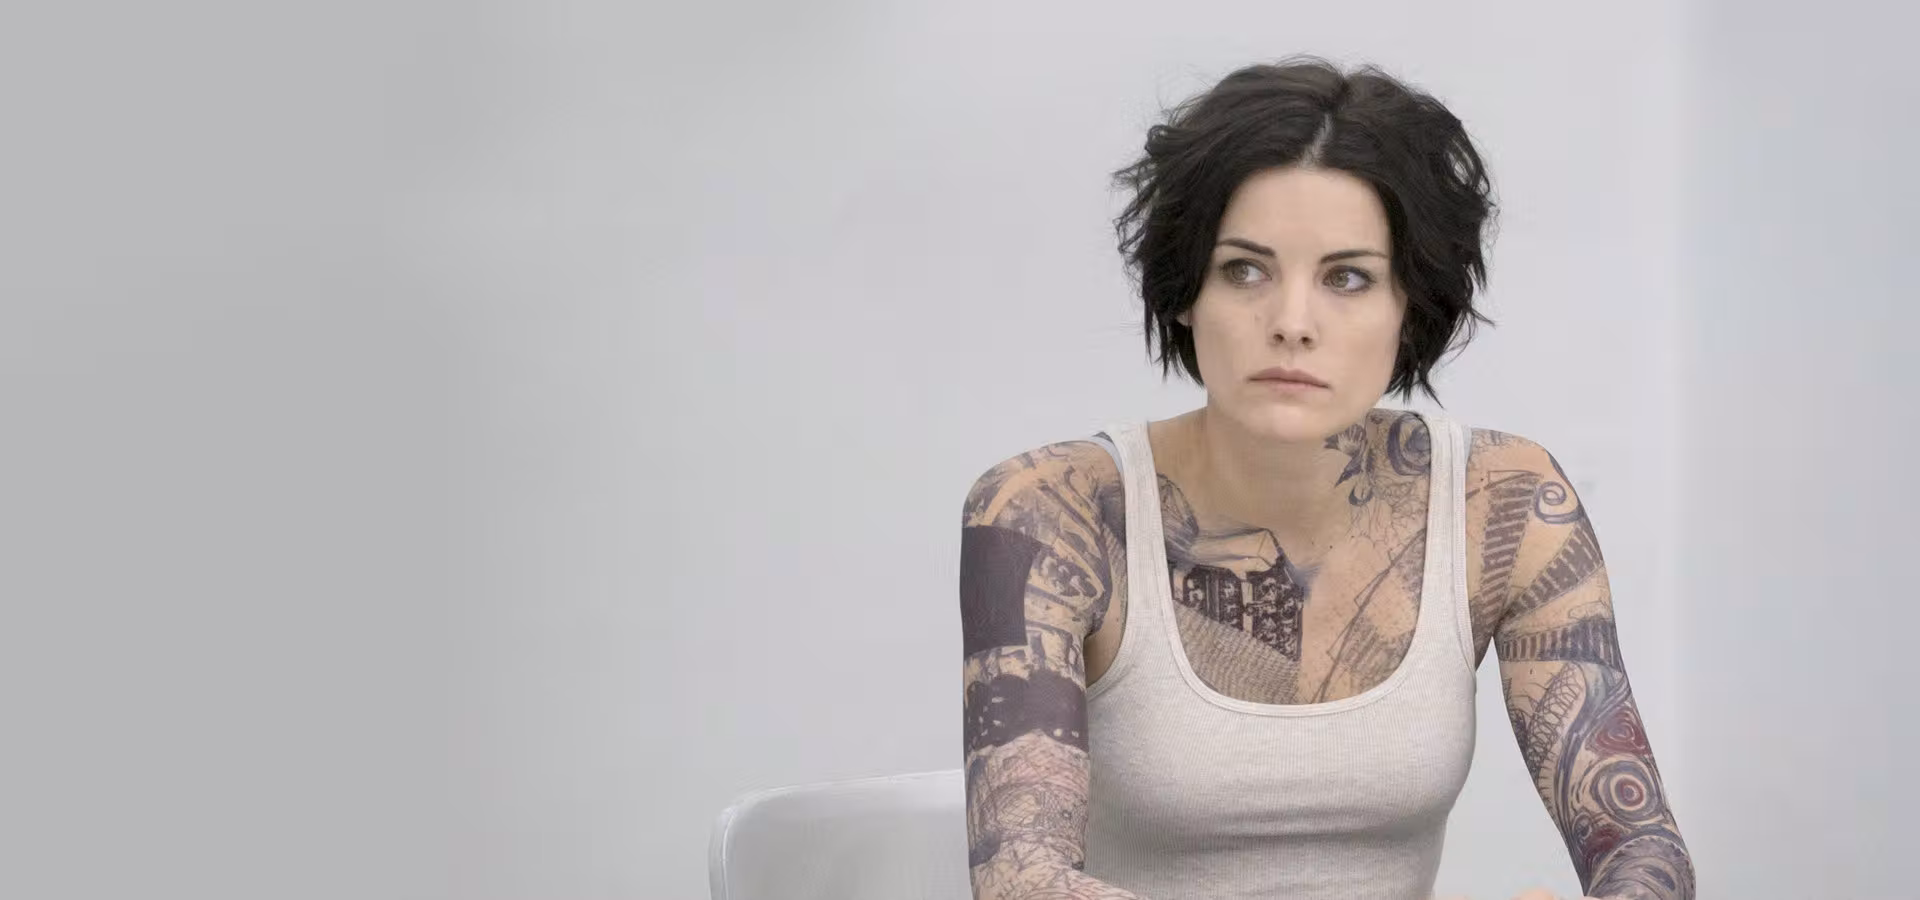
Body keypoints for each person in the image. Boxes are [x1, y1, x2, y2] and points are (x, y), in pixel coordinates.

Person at [956, 57, 1694, 900]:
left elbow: (1641, 845)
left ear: (1409, 306)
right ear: (1186, 289)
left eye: (1347, 278)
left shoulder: (1502, 501)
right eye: (1245, 269)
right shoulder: (1050, 510)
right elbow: (1022, 883)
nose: (1293, 323)